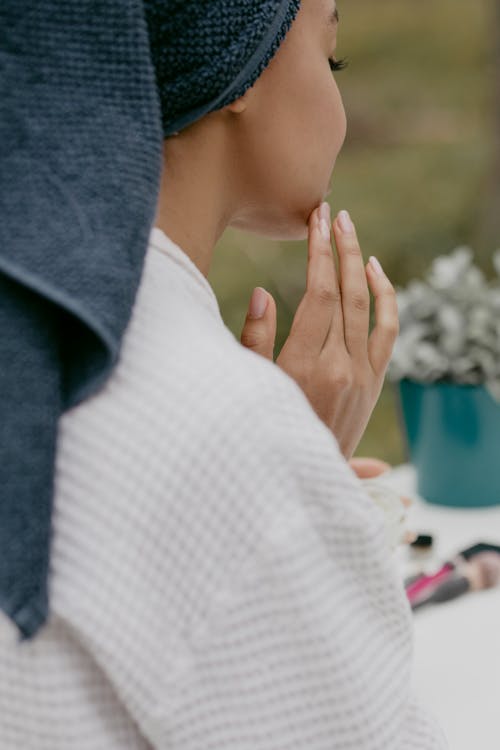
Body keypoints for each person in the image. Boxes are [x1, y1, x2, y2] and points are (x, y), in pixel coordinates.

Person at [0, 0, 448, 747]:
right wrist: (295, 479)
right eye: (328, 55)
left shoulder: (38, 333)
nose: (334, 98)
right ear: (243, 66)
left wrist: (302, 468)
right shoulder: (221, 429)